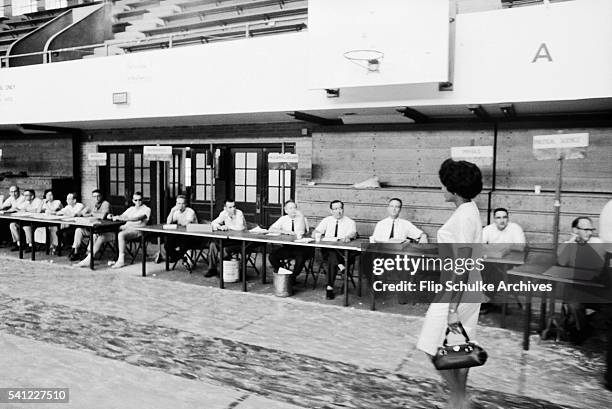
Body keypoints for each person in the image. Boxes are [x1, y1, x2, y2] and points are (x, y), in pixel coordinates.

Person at [417, 158, 484, 409]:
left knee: (430, 345)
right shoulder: (469, 209)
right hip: (469, 288)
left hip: (458, 290)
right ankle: (457, 401)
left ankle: (460, 400)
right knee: (461, 346)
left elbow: (462, 264)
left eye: (443, 185)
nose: (441, 189)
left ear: (454, 190)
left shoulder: (464, 216)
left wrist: (453, 308)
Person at [481, 208, 527, 314]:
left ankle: (485, 302)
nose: (502, 220)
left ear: (508, 218)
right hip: (491, 262)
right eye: (498, 217)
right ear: (494, 219)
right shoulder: (488, 229)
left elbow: (521, 247)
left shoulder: (515, 228)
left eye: (504, 217)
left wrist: (504, 247)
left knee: (496, 273)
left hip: (510, 266)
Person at [313, 200, 357, 300]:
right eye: (335, 209)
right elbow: (316, 231)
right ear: (331, 211)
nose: (338, 211)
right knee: (331, 252)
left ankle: (329, 288)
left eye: (340, 208)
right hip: (327, 250)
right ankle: (340, 266)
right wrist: (317, 233)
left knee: (331, 259)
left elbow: (353, 233)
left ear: (343, 209)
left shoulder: (350, 222)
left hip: (343, 252)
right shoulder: (326, 220)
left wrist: (349, 237)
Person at [98, 192, 150, 269]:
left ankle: (121, 260)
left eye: (140, 200)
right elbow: (122, 216)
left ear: (143, 200)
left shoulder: (146, 209)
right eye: (136, 200)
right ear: (133, 201)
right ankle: (89, 258)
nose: (138, 202)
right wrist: (113, 216)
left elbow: (137, 218)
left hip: (137, 230)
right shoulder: (131, 209)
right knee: (102, 236)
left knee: (121, 235)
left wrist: (123, 219)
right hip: (125, 228)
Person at [268, 200, 311, 282]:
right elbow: (271, 229)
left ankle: (293, 277)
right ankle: (284, 273)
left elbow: (302, 232)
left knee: (300, 258)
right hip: (288, 247)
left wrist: (301, 217)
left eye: (295, 208)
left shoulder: (302, 219)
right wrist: (285, 231)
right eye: (290, 208)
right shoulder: (283, 219)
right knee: (272, 257)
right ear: (286, 210)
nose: (293, 210)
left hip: (301, 248)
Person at [206, 198, 246, 277]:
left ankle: (225, 271)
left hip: (240, 240)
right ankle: (212, 269)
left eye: (234, 206)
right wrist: (219, 227)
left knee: (224, 251)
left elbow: (240, 227)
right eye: (230, 207)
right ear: (225, 208)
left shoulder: (239, 213)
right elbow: (213, 223)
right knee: (213, 245)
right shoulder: (223, 213)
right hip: (228, 239)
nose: (233, 209)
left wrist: (227, 226)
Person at [69, 189, 111, 261]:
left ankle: (88, 254)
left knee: (94, 234)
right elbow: (83, 212)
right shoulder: (92, 203)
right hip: (92, 227)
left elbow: (103, 216)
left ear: (102, 196)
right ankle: (76, 251)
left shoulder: (105, 203)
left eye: (98, 196)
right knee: (78, 230)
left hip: (103, 229)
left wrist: (91, 214)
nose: (96, 198)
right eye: (94, 197)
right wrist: (77, 214)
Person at [165, 195, 198, 271]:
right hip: (181, 235)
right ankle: (182, 257)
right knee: (168, 244)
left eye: (182, 203)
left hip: (193, 235)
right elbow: (168, 222)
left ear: (185, 204)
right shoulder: (176, 212)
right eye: (178, 203)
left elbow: (186, 223)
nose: (180, 205)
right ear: (176, 204)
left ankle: (181, 258)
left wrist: (178, 222)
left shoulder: (190, 211)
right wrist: (172, 211)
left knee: (183, 245)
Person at [33, 189, 63, 253]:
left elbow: (53, 211)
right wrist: (42, 203)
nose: (49, 197)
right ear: (45, 196)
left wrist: (45, 204)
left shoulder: (57, 202)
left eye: (51, 195)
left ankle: (55, 245)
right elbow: (38, 211)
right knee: (40, 229)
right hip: (48, 221)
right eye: (48, 195)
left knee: (53, 228)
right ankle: (45, 245)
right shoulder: (45, 203)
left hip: (59, 222)